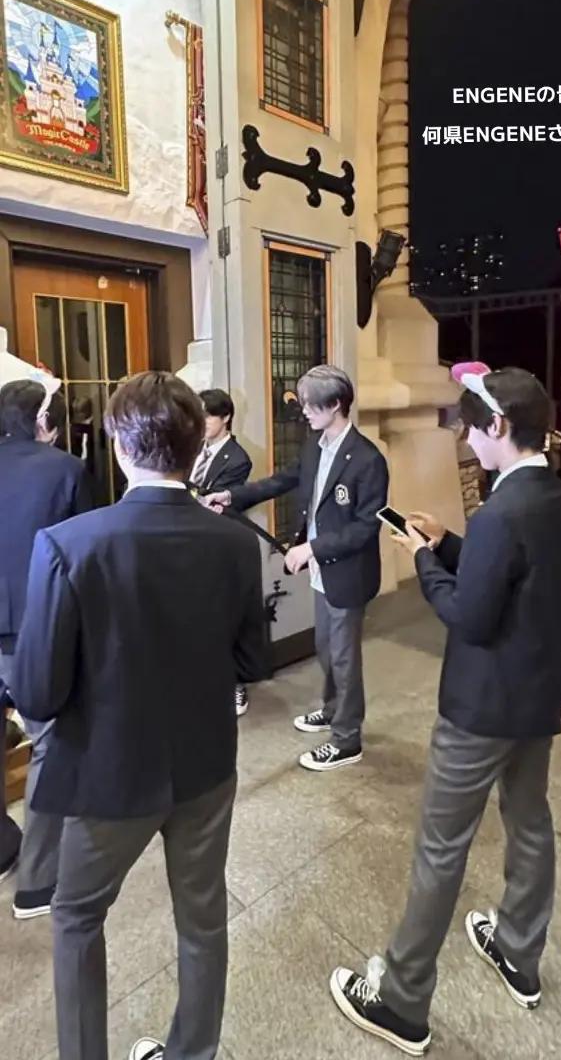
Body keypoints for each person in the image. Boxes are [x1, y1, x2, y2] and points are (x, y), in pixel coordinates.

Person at [11, 371, 264, 1060]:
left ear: (120, 447)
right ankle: (192, 1052)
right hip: (205, 762)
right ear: (195, 446)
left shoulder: (68, 544)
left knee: (76, 915)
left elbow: (36, 693)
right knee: (203, 919)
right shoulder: (234, 542)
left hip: (108, 772)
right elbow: (251, 660)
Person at [329, 366, 561, 1054]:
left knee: (441, 848)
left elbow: (470, 614)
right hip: (537, 693)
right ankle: (519, 950)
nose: (467, 441)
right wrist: (446, 541)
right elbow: (510, 579)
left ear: (498, 425)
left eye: (471, 428)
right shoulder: (558, 497)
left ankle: (402, 999)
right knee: (529, 823)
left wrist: (423, 560)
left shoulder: (501, 510)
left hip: (480, 707)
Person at [204, 365, 388, 773]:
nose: (303, 410)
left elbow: (365, 527)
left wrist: (311, 548)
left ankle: (347, 739)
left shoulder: (368, 459)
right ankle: (332, 709)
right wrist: (231, 496)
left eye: (310, 404)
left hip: (347, 573)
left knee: (343, 658)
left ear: (335, 404)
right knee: (326, 647)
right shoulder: (315, 446)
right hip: (323, 570)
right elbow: (280, 481)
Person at [0, 379, 92, 914]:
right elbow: (83, 558)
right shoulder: (65, 470)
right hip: (31, 632)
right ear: (42, 422)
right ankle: (37, 882)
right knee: (49, 742)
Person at [190, 388, 253, 716]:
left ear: (225, 417)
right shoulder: (192, 449)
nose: (201, 423)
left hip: (219, 544)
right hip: (190, 543)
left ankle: (237, 684)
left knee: (226, 618)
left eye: (208, 416)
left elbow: (217, 501)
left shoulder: (238, 458)